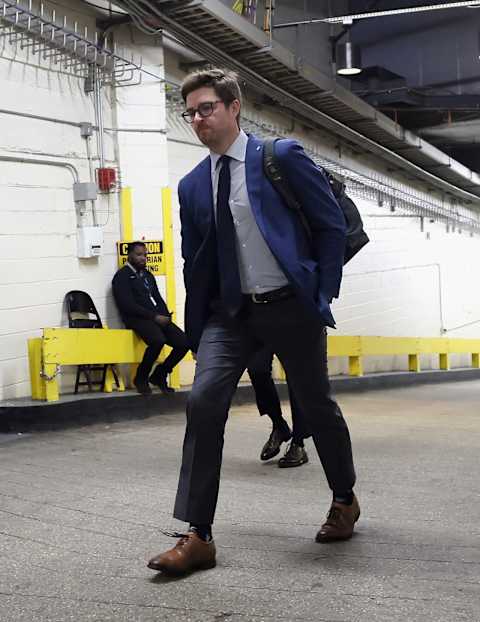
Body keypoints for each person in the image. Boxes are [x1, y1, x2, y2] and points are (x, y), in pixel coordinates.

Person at [147, 68, 359, 575]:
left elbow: (330, 224)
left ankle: (344, 498)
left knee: (314, 405)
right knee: (202, 403)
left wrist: (321, 289)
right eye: (191, 112)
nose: (198, 119)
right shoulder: (193, 184)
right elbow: (192, 259)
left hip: (291, 305)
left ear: (234, 106)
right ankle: (198, 534)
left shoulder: (278, 158)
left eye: (207, 108)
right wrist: (197, 326)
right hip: (230, 314)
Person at [112, 241, 188, 395]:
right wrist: (154, 317)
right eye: (139, 254)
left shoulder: (147, 275)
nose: (143, 258)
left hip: (155, 318)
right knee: (157, 340)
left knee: (184, 342)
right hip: (136, 318)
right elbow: (127, 305)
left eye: (145, 255)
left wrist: (165, 315)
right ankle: (141, 378)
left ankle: (160, 374)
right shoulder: (122, 277)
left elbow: (157, 298)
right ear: (130, 255)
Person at [247, 345, 309, 467]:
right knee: (257, 368)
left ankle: (298, 442)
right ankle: (279, 426)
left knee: (296, 375)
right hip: (262, 329)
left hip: (293, 330)